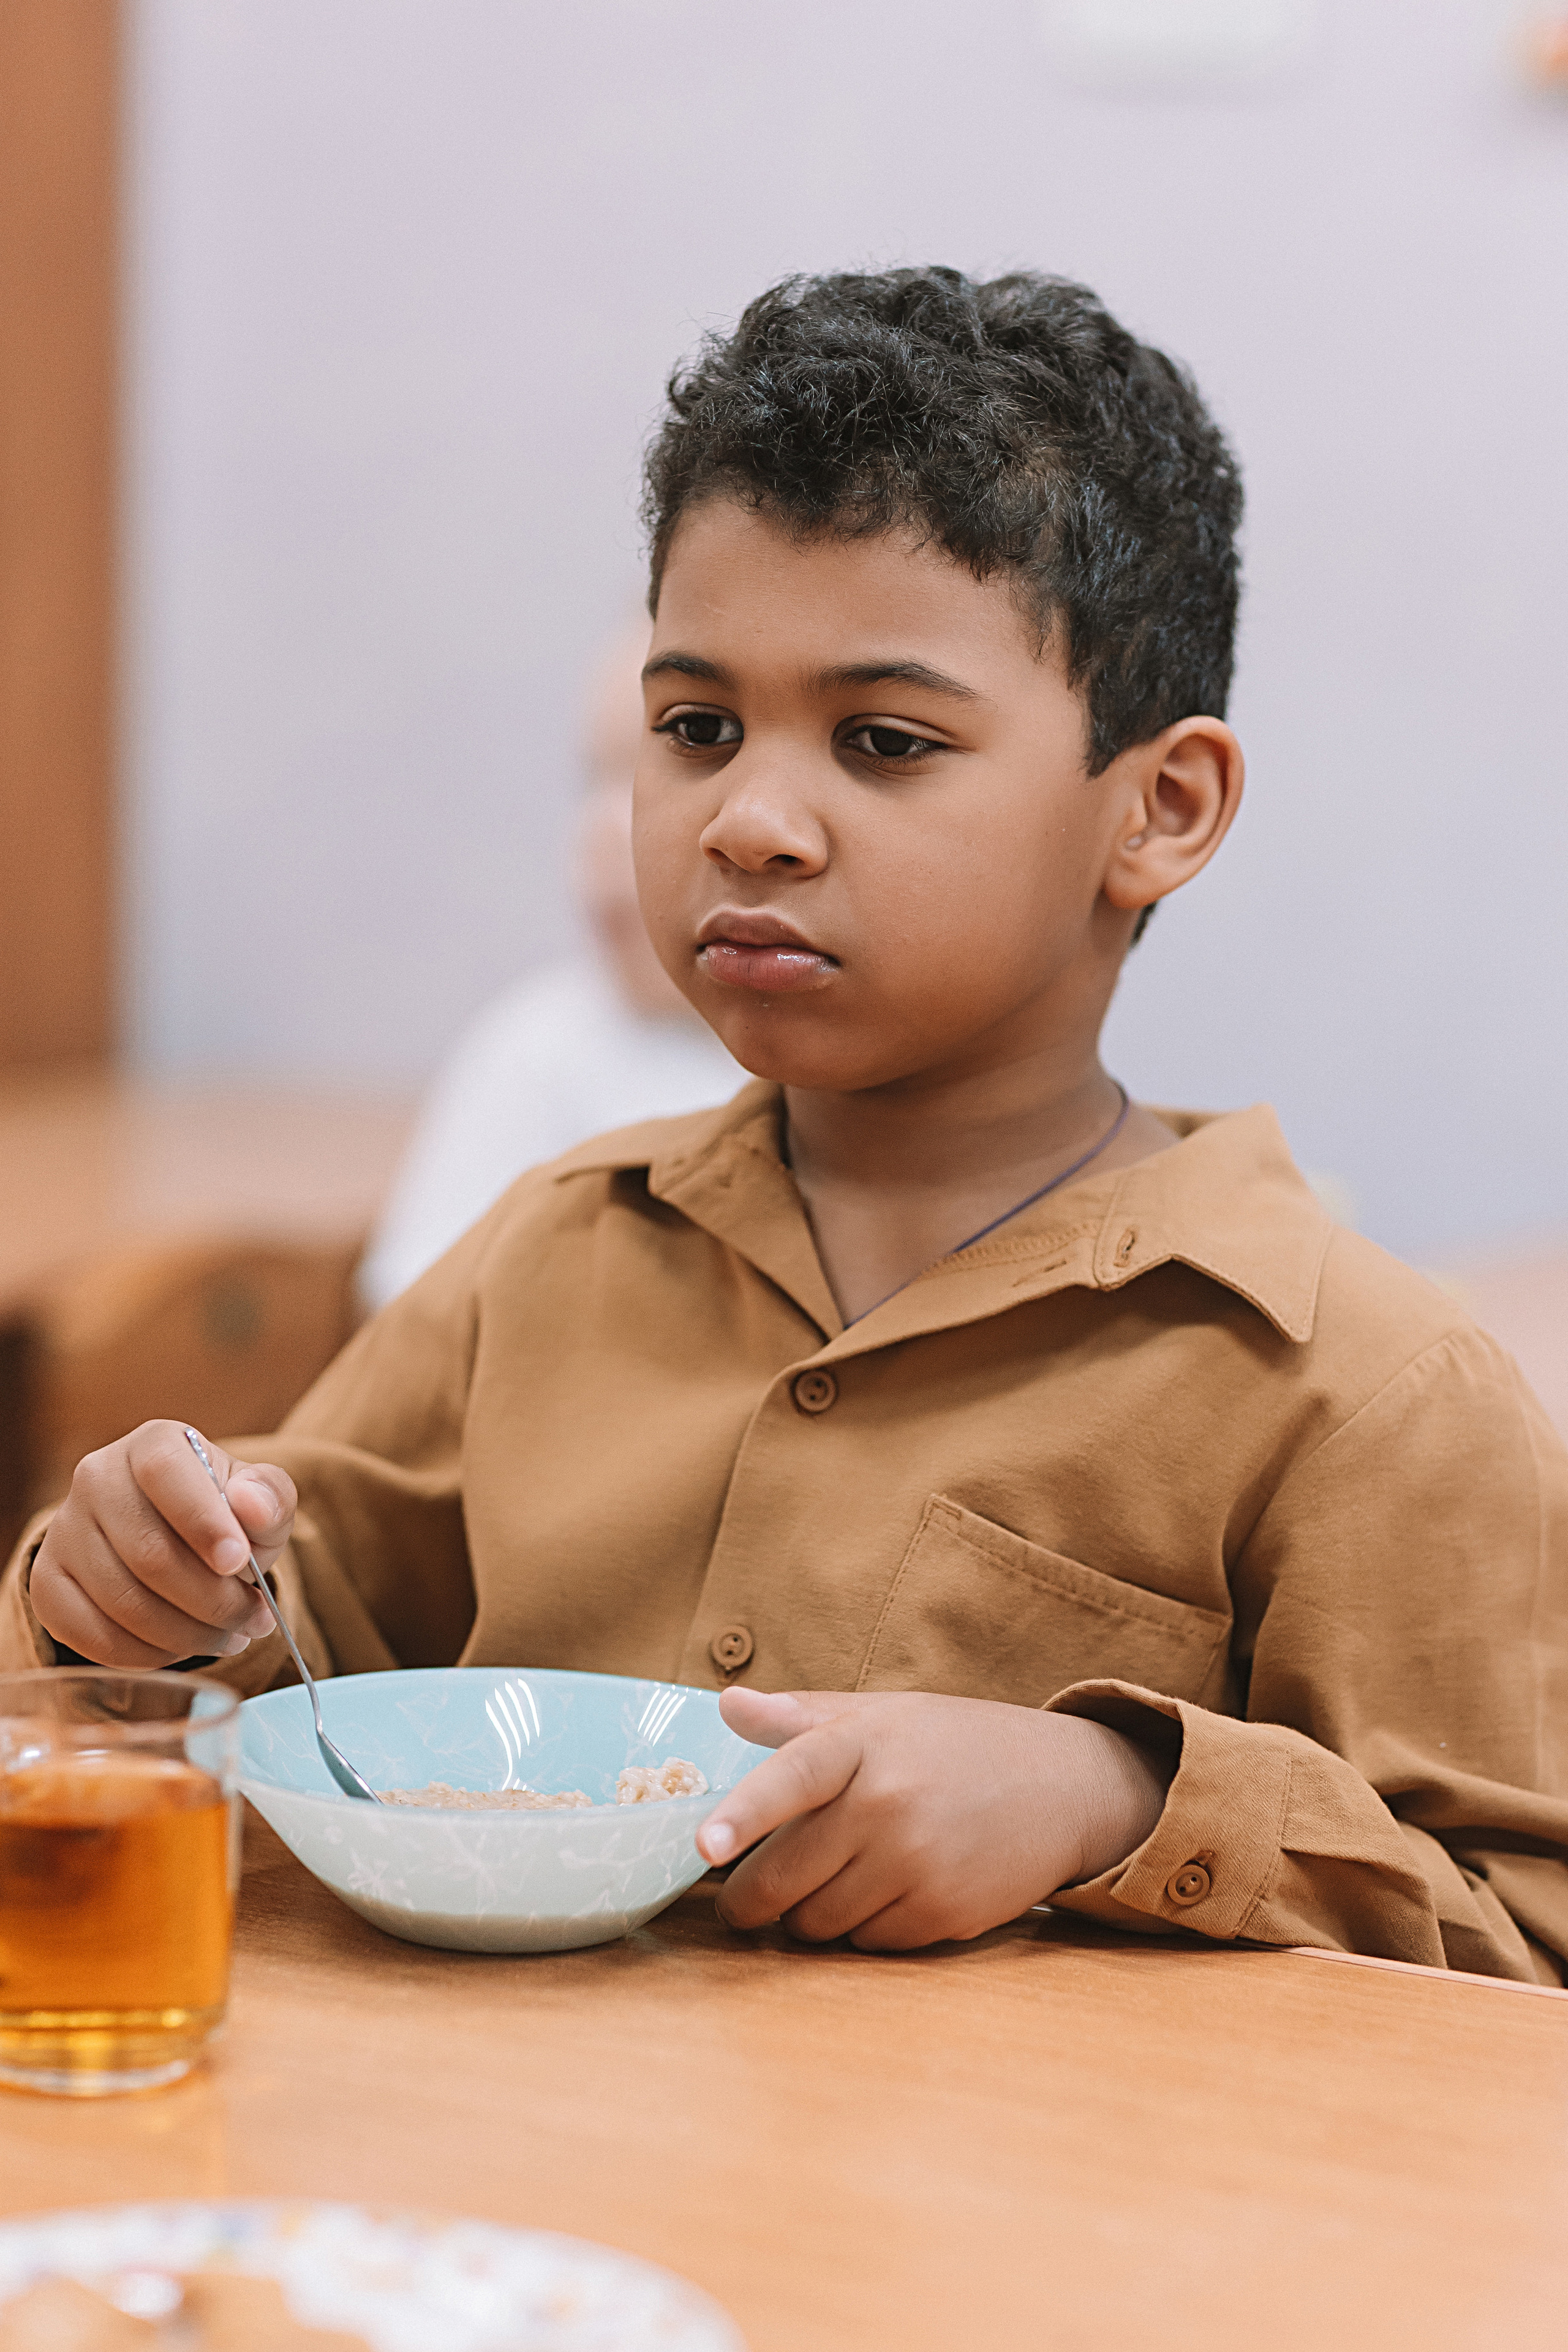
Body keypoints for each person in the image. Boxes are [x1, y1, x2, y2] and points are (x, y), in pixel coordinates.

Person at [9, 268, 1567, 1980]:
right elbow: (291, 1669)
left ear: (1162, 809)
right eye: (697, 727)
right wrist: (150, 1603)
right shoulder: (552, 1252)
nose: (747, 819)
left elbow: (1524, 1957)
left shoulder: (1365, 1390)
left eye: (885, 741)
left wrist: (1116, 1800)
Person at [358, 632, 743, 1312]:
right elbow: (412, 1325)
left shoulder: (820, 1072)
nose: (601, 830)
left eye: (667, 769)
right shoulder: (541, 1051)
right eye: (594, 778)